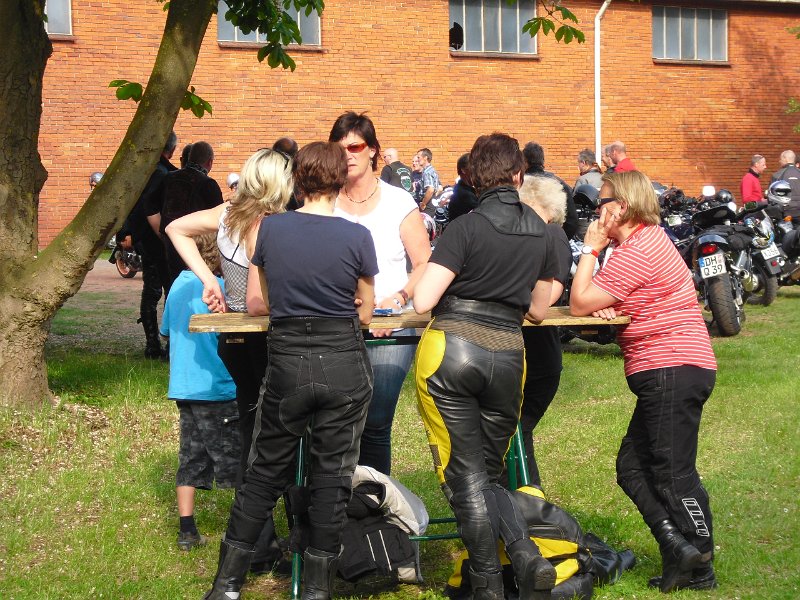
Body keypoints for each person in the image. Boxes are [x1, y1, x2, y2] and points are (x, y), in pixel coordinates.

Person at [202, 141, 377, 600]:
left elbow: (263, 300)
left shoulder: (270, 230)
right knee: (332, 479)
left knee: (263, 473)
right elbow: (365, 313)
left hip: (287, 364)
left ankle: (227, 586)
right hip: (344, 363)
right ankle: (317, 590)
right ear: (340, 180)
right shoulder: (357, 235)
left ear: (297, 180)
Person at [413, 132, 558, 600]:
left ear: (474, 177)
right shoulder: (543, 231)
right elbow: (539, 309)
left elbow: (423, 299)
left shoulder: (465, 227)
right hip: (509, 355)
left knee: (465, 478)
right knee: (488, 477)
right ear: (518, 175)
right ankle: (524, 554)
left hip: (451, 350)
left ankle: (488, 585)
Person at [569, 170, 718, 593]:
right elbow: (597, 300)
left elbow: (578, 302)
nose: (596, 212)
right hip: (670, 369)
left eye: (601, 203)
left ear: (623, 206)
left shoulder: (640, 248)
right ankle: (679, 550)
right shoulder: (640, 245)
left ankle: (701, 563)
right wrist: (604, 304)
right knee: (632, 468)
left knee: (673, 474)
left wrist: (590, 249)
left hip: (673, 366)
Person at [165, 148, 294, 575]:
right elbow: (262, 300)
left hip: (233, 338)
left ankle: (258, 542)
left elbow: (175, 228)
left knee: (251, 435)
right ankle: (285, 538)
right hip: (270, 337)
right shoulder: (273, 223)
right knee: (284, 436)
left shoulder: (227, 214)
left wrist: (210, 280)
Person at [329, 111, 432, 476]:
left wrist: (399, 298)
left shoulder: (398, 201)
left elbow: (424, 263)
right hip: (337, 324)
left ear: (373, 150)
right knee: (335, 421)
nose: (348, 155)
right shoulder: (325, 201)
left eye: (355, 147)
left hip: (389, 325)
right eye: (340, 148)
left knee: (375, 421)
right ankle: (335, 498)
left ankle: (373, 502)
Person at [159, 234, 238, 552]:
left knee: (189, 457)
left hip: (184, 387)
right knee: (235, 458)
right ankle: (248, 532)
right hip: (216, 387)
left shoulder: (177, 285)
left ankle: (187, 530)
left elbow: (166, 330)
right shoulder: (220, 287)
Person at [514, 175, 572, 489]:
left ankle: (527, 499)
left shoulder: (552, 234)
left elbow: (550, 295)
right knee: (512, 433)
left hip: (537, 358)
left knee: (518, 430)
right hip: (518, 353)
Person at [121, 131, 178, 358]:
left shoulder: (144, 170)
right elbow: (146, 206)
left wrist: (127, 231)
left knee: (154, 291)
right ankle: (162, 344)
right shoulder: (163, 173)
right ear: (171, 150)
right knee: (166, 291)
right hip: (159, 240)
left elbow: (130, 203)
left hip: (148, 239)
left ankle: (154, 344)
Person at [146, 141, 224, 290]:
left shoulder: (168, 178)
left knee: (174, 286)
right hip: (200, 247)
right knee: (201, 285)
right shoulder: (208, 184)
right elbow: (220, 220)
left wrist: (162, 231)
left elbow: (150, 206)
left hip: (171, 242)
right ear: (210, 162)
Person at [523, 141, 579, 239]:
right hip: (554, 237)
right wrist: (561, 239)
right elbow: (572, 220)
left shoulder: (519, 184)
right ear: (542, 160)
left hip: (526, 239)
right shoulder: (558, 183)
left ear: (525, 161)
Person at [447, 153, 479, 222]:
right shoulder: (464, 193)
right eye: (473, 167)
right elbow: (484, 209)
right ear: (464, 170)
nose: (477, 170)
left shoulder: (463, 188)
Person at [417, 147, 441, 214]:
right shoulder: (432, 170)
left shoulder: (427, 172)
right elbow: (439, 188)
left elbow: (430, 189)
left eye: (419, 157)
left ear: (425, 158)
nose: (417, 160)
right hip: (432, 202)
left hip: (428, 204)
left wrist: (423, 203)